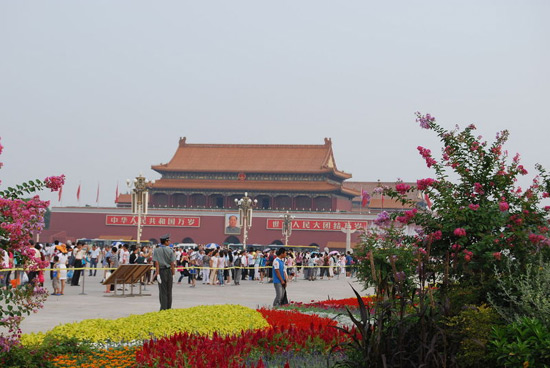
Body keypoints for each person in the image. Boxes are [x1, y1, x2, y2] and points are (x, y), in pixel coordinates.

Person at [152, 234, 176, 310]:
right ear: (165, 242)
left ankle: (163, 308)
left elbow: (156, 263)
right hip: (168, 271)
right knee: (169, 291)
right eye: (168, 241)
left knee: (163, 291)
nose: (169, 242)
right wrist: (173, 274)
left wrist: (157, 274)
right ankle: (169, 308)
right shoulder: (170, 250)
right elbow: (172, 263)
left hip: (161, 271)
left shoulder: (156, 250)